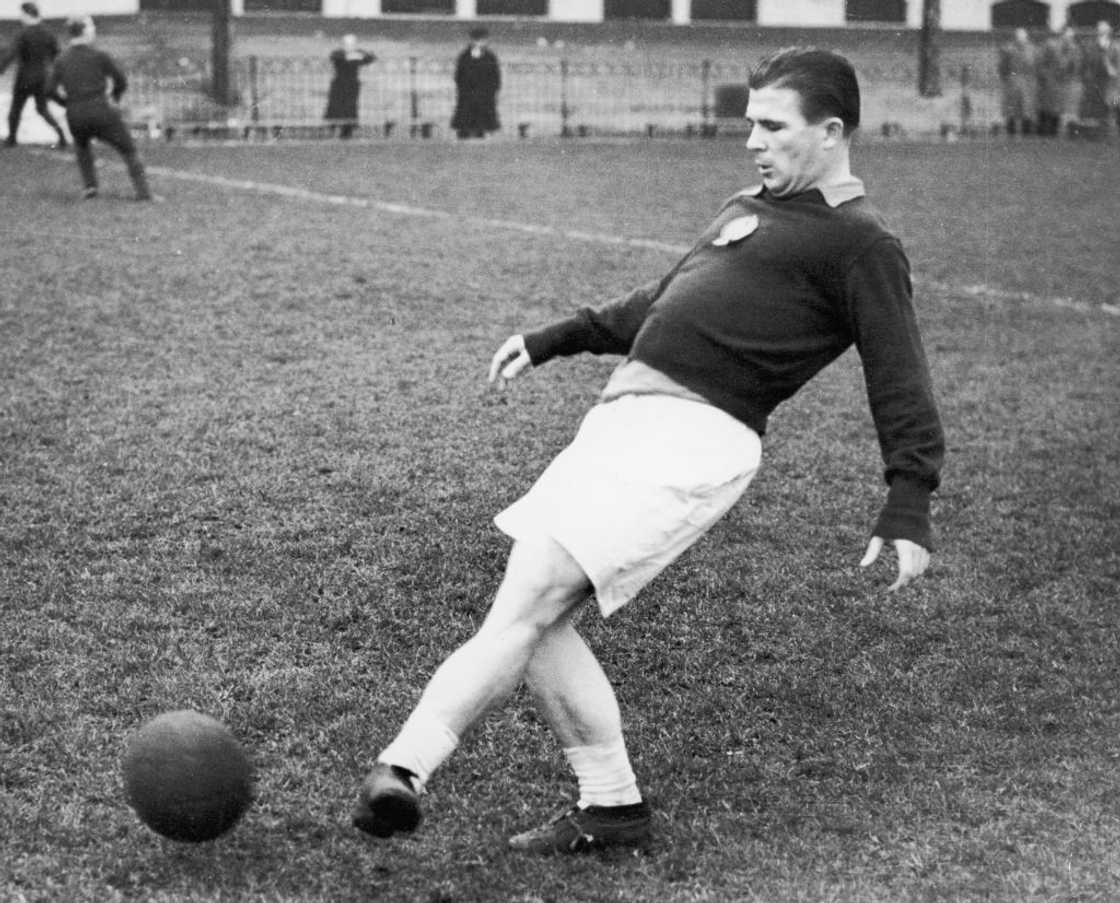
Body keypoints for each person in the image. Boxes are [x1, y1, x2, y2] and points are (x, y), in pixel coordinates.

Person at [350, 46, 944, 856]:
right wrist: (557, 336)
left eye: (772, 127)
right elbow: (661, 303)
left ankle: (404, 766)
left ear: (832, 131)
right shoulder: (750, 206)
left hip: (694, 441)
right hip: (617, 429)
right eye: (750, 125)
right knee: (539, 620)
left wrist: (909, 497)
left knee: (529, 603)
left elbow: (899, 372)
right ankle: (612, 805)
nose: (752, 142)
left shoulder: (862, 243)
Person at [46, 16, 151, 201]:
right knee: (128, 149)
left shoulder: (61, 59)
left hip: (75, 114)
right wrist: (115, 98)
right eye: (92, 27)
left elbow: (49, 90)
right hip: (100, 109)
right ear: (85, 31)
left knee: (82, 145)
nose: (94, 30)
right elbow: (121, 81)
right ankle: (143, 193)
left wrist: (68, 103)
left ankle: (90, 188)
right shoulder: (99, 56)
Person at [0, 2, 67, 149]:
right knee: (42, 109)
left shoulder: (22, 34)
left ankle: (12, 139)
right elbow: (58, 56)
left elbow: (10, 54)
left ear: (27, 14)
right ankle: (61, 135)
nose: (20, 17)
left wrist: (1, 69)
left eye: (22, 14)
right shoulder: (48, 33)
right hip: (43, 77)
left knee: (16, 109)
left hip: (24, 78)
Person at [451, 27, 500, 140]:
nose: (479, 42)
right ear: (471, 40)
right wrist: (463, 88)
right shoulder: (464, 56)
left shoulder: (490, 56)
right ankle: (463, 133)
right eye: (477, 40)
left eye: (482, 40)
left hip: (484, 93)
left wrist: (492, 89)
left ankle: (480, 133)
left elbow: (495, 75)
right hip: (468, 92)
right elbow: (459, 74)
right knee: (465, 115)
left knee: (482, 119)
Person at [324, 34, 375, 140]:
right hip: (339, 84)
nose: (349, 46)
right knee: (335, 106)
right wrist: (353, 56)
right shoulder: (338, 53)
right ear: (343, 44)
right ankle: (331, 130)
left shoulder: (358, 53)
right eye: (347, 44)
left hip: (352, 85)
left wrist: (358, 55)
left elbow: (370, 57)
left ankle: (347, 132)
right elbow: (335, 57)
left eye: (352, 44)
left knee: (350, 107)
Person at [1038, 25, 1083, 137]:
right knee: (1047, 106)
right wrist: (1046, 76)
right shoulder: (1050, 45)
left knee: (1058, 107)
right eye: (1067, 35)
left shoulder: (1074, 48)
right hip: (1050, 81)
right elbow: (1041, 62)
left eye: (1071, 35)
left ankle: (1055, 131)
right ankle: (1044, 131)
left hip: (1064, 82)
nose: (1069, 37)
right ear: (1062, 34)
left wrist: (1071, 72)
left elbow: (1076, 66)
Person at [1082, 20, 1120, 140]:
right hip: (1095, 82)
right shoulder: (1091, 45)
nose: (1101, 30)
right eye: (1099, 28)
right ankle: (1098, 136)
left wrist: (1111, 69)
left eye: (1104, 28)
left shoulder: (1115, 46)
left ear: (1109, 31)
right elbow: (1087, 64)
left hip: (1111, 83)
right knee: (1096, 109)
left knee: (1111, 106)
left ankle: (1110, 135)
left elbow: (1117, 67)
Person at [999, 27, 1039, 135]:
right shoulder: (1008, 49)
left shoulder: (1032, 49)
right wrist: (1007, 78)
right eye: (1018, 38)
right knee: (1011, 108)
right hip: (1013, 80)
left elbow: (1036, 65)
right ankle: (1010, 132)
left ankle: (1027, 133)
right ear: (1015, 38)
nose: (1021, 40)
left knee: (1027, 108)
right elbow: (1003, 67)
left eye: (1023, 38)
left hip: (1028, 81)